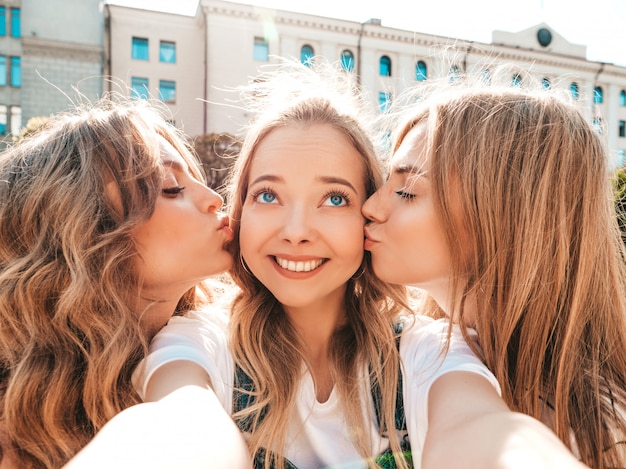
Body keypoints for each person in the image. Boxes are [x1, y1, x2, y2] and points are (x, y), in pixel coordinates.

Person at [134, 62, 585, 468]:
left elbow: (481, 430)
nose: (296, 231)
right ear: (240, 209)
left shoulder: (427, 351)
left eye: (334, 199)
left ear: (364, 213)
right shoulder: (201, 340)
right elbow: (176, 427)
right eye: (267, 195)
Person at [362, 77, 626, 468]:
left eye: (407, 191)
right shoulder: (418, 349)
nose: (370, 207)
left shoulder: (601, 432)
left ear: (502, 219)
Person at [0, 96, 249, 468]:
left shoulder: (228, 338)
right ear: (86, 236)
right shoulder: (11, 427)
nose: (215, 199)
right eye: (171, 187)